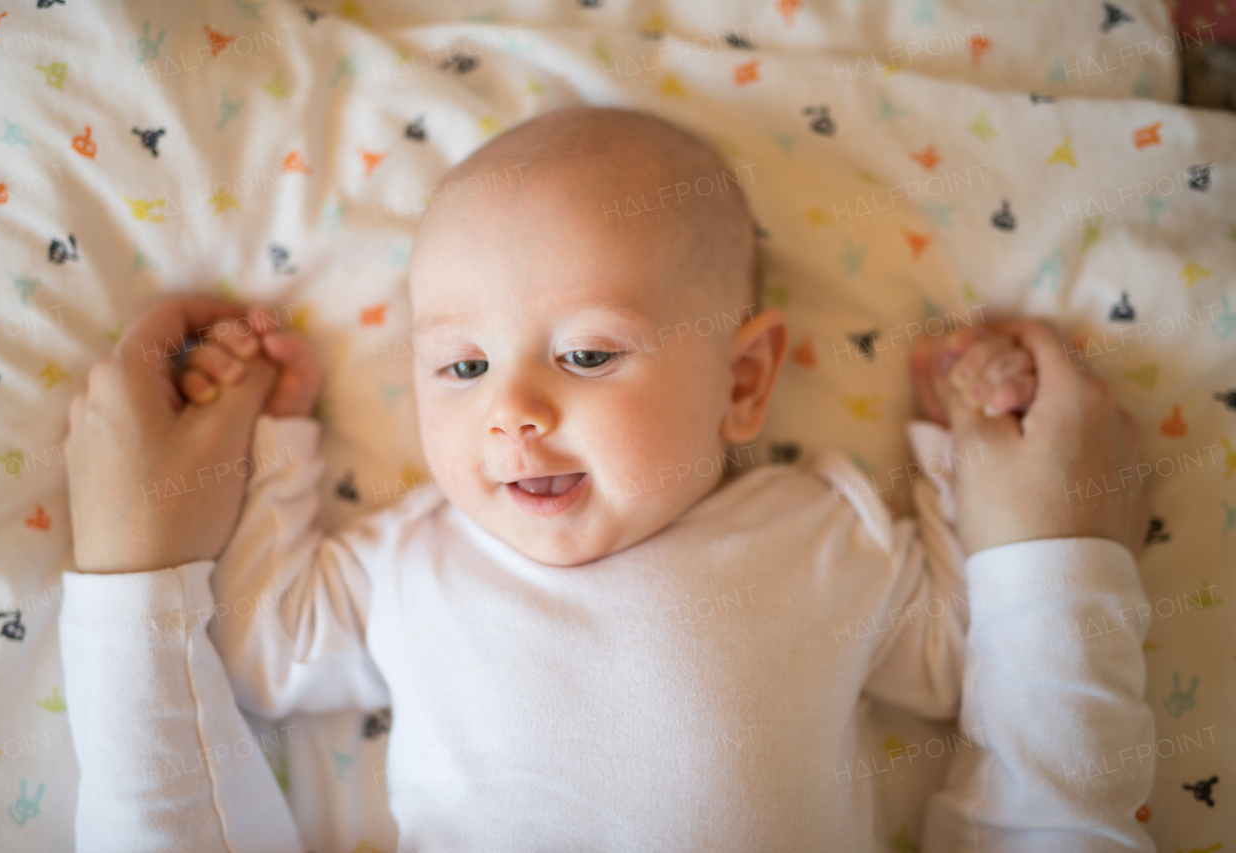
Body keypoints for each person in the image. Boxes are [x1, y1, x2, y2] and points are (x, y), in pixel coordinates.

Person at [60, 108, 1155, 851]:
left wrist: (965, 450)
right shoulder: (413, 555)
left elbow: (968, 659)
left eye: (587, 355)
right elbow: (262, 652)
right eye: (460, 366)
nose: (512, 409)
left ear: (741, 378)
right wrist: (279, 449)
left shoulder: (825, 529)